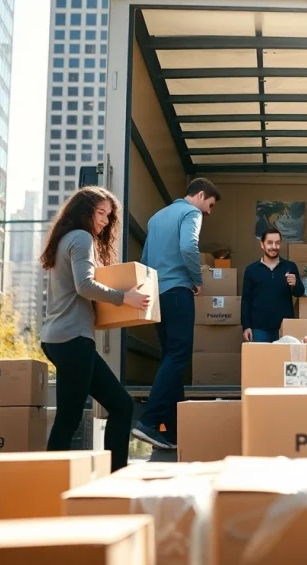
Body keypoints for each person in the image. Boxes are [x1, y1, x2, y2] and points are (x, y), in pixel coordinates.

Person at [39, 186, 149, 472]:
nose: (103, 220)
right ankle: (51, 480)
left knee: (117, 406)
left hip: (59, 339)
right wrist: (126, 297)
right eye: (100, 212)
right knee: (70, 417)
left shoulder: (64, 240)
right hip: (73, 340)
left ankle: (110, 474)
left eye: (108, 215)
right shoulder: (81, 238)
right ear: (82, 211)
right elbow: (84, 285)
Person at [131, 177, 221, 450]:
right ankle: (149, 421)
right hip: (179, 292)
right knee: (179, 357)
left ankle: (169, 432)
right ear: (201, 195)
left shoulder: (156, 218)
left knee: (171, 360)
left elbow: (145, 261)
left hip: (158, 295)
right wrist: (197, 279)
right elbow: (188, 246)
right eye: (211, 204)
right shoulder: (191, 212)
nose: (209, 211)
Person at [241, 228, 306, 343]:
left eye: (277, 243)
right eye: (269, 243)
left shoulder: (290, 266)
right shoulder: (251, 270)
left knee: (285, 361)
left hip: (285, 327)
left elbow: (299, 293)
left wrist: (296, 283)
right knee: (262, 360)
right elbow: (246, 300)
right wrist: (246, 326)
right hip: (259, 328)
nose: (274, 246)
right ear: (262, 244)